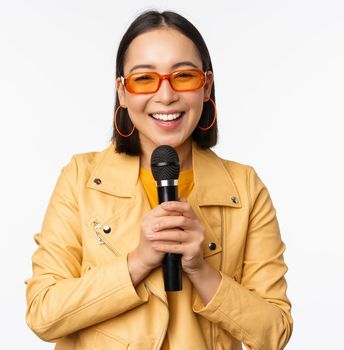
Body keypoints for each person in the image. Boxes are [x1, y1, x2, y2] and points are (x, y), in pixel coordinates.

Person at [25, 10, 292, 349]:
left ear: (206, 86)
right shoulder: (81, 179)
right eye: (144, 79)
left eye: (183, 76)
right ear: (122, 92)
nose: (166, 96)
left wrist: (201, 270)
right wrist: (138, 262)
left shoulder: (245, 188)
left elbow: (275, 332)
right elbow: (42, 313)